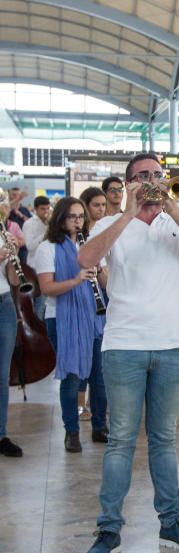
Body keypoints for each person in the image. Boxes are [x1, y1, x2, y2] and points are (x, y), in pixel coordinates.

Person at [78, 153, 179, 553]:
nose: (154, 181)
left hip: (173, 344)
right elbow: (86, 261)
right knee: (121, 440)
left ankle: (172, 523)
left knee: (163, 439)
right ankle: (109, 529)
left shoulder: (174, 224)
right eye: (144, 176)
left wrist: (174, 209)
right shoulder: (109, 224)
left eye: (159, 175)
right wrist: (127, 213)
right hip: (124, 344)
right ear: (127, 184)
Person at [36, 197, 109, 453]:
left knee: (99, 377)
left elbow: (106, 284)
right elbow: (47, 288)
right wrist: (77, 279)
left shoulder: (90, 244)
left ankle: (100, 426)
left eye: (81, 217)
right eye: (72, 217)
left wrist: (99, 270)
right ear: (60, 219)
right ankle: (72, 431)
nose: (78, 222)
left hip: (95, 316)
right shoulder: (47, 248)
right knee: (71, 377)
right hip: (62, 318)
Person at [0, 216, 20, 457]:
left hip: (4, 302)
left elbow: (14, 281)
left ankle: (2, 434)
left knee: (2, 375)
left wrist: (13, 257)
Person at [22, 195, 50, 319]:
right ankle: (38, 328)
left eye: (47, 209)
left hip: (48, 265)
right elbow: (30, 247)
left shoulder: (50, 222)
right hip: (34, 266)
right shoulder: (29, 224)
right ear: (36, 209)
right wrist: (45, 233)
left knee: (46, 303)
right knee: (39, 302)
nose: (46, 212)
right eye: (43, 209)